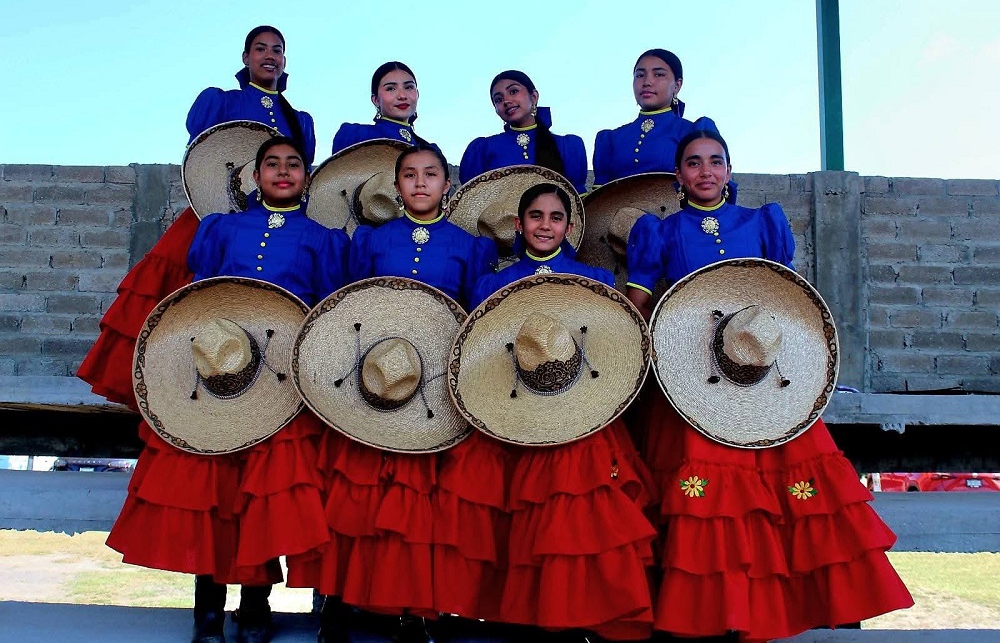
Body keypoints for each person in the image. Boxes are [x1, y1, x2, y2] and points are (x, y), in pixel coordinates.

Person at [625, 130, 913, 641]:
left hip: (765, 379)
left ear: (730, 172)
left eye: (716, 162)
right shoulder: (659, 233)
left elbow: (785, 300)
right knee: (711, 500)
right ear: (678, 176)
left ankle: (786, 611)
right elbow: (639, 306)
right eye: (694, 163)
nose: (706, 171)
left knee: (790, 490)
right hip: (694, 384)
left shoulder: (762, 223)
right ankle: (714, 615)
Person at [107, 136, 348, 643]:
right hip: (219, 374)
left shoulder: (325, 239)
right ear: (255, 176)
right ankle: (208, 609)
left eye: (293, 165)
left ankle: (256, 605)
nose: (282, 172)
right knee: (212, 491)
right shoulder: (221, 228)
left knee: (264, 495)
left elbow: (326, 311)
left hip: (284, 382)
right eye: (272, 165)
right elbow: (199, 293)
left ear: (307, 177)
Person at [307, 144, 500, 643]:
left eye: (430, 174)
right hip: (372, 383)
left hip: (434, 388)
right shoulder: (370, 240)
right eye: (410, 175)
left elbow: (475, 321)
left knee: (421, 504)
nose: (419, 183)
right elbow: (348, 310)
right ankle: (340, 603)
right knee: (359, 496)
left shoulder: (470, 247)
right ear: (396, 188)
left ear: (447, 186)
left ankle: (416, 611)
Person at [77, 24, 317, 410]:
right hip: (215, 215)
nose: (269, 55)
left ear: (285, 60)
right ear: (245, 58)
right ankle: (173, 385)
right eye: (260, 49)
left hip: (280, 228)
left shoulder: (300, 120)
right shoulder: (218, 99)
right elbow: (202, 155)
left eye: (277, 49)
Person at [464, 184, 658, 641]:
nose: (545, 225)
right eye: (535, 216)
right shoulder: (492, 285)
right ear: (519, 225)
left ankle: (582, 610)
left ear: (570, 227)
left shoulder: (596, 280)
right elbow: (482, 354)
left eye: (555, 217)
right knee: (527, 512)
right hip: (513, 407)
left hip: (583, 407)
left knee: (578, 512)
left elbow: (614, 345)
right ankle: (533, 612)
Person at [592, 49, 718, 189]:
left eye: (658, 74)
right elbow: (600, 202)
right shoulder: (611, 139)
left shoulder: (694, 132)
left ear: (677, 85)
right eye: (640, 75)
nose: (647, 82)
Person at [460, 70, 588, 195]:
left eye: (513, 91)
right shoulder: (482, 150)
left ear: (534, 97)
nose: (506, 101)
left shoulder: (567, 147)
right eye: (498, 99)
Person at [331, 61, 435, 154]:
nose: (402, 96)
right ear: (375, 100)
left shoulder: (431, 151)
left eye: (408, 87)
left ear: (417, 94)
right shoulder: (354, 135)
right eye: (390, 89)